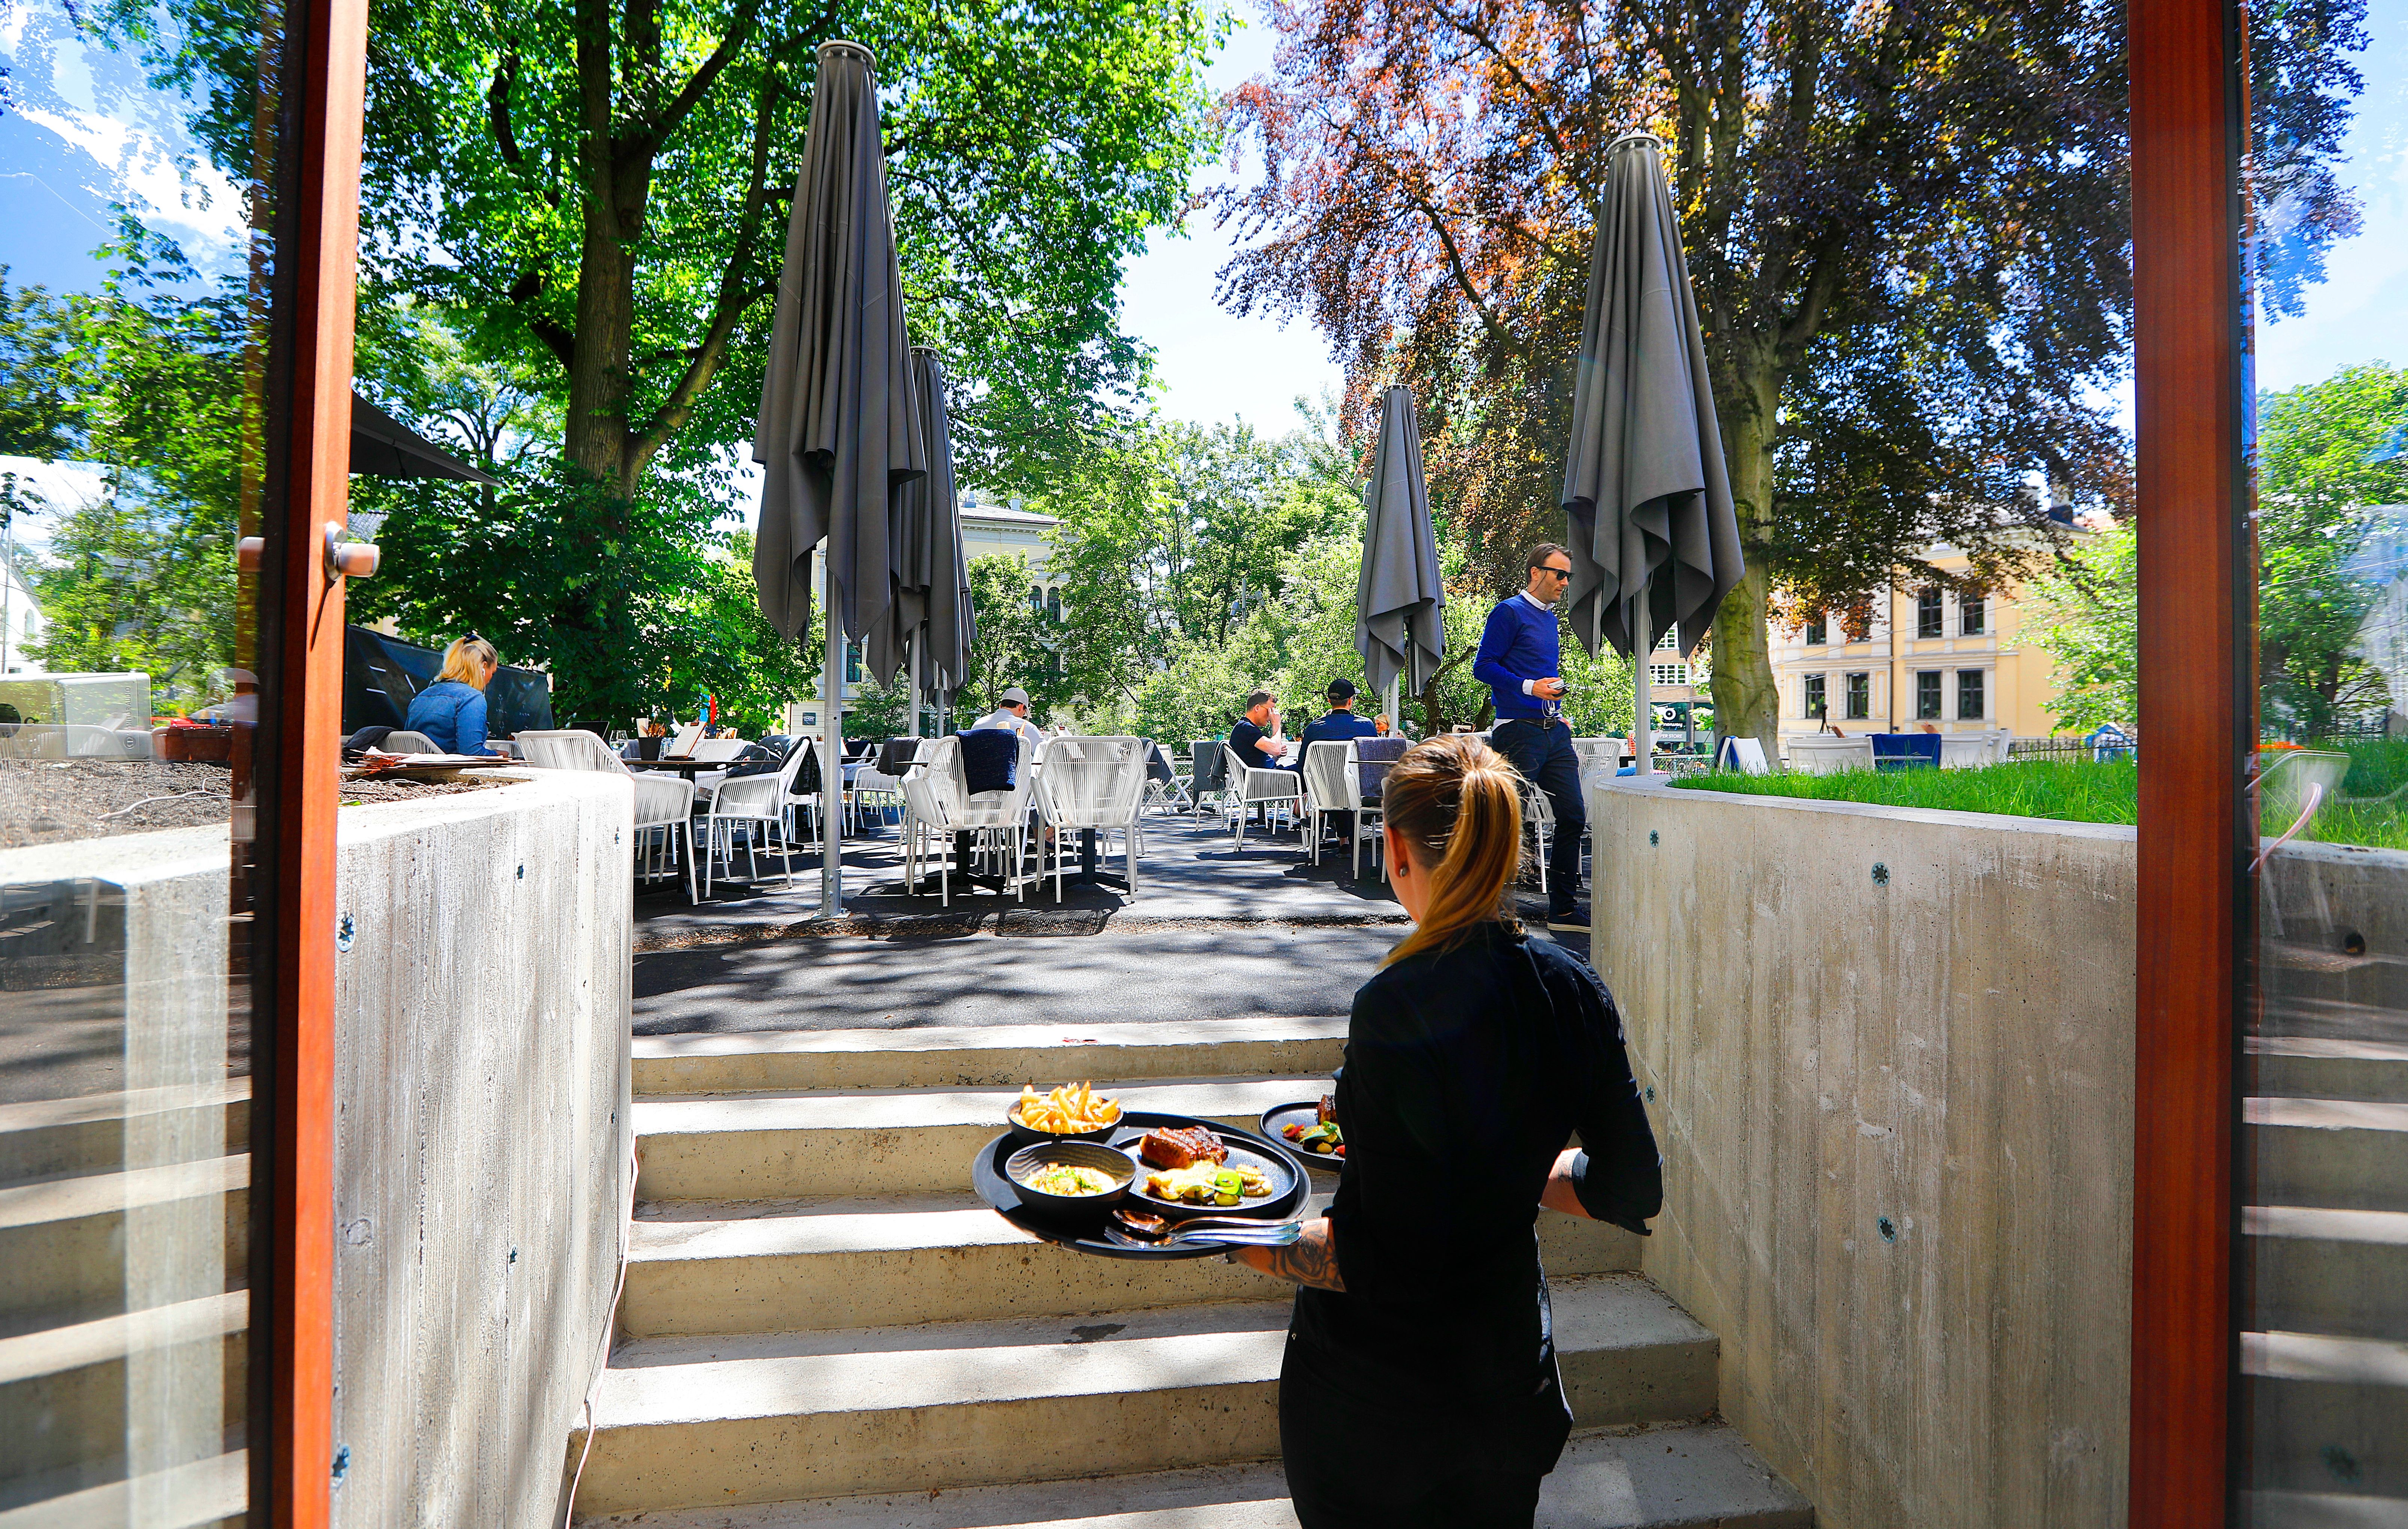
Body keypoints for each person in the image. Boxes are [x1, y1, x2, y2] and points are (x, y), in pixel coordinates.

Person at [1229, 735, 1662, 1528]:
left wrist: (1230, 1233)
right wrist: (1503, 1163)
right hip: (1508, 1392)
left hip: (1377, 1412)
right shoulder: (1575, 988)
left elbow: (1379, 1259)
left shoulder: (1397, 1004)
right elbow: (1634, 1184)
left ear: (1394, 849)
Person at [1471, 544, 1586, 929]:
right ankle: (1493, 913)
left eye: (1567, 575)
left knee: (1573, 816)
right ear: (1536, 573)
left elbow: (1539, 675)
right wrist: (1529, 688)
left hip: (1553, 733)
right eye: (1559, 574)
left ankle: (1564, 910)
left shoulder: (1549, 620)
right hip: (1517, 732)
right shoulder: (1507, 612)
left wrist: (1554, 703)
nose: (1565, 582)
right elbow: (1482, 666)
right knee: (1508, 823)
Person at [403, 636, 508, 756]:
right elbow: (472, 754)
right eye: (493, 672)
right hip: (449, 771)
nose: (490, 679)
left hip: (415, 769)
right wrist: (501, 755)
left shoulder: (422, 696)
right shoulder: (472, 698)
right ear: (483, 667)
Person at [1297, 677, 1379, 751]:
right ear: (1350, 701)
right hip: (1355, 768)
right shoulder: (1367, 726)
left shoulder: (1313, 728)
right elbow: (1375, 760)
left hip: (1323, 768)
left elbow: (1301, 765)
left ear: (1329, 700)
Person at [1227, 689, 1295, 771]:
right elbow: (1276, 750)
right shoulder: (1246, 728)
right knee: (1306, 770)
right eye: (1270, 710)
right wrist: (1276, 723)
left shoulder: (1245, 728)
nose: (1272, 715)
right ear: (1257, 708)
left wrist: (1276, 757)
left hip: (1265, 777)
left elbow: (1262, 763)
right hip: (1267, 780)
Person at [970, 686, 1046, 751]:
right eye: (1025, 714)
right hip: (1016, 769)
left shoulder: (977, 725)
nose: (1023, 717)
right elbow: (1046, 755)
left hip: (980, 768)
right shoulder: (1028, 727)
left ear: (1000, 706)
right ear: (1021, 707)